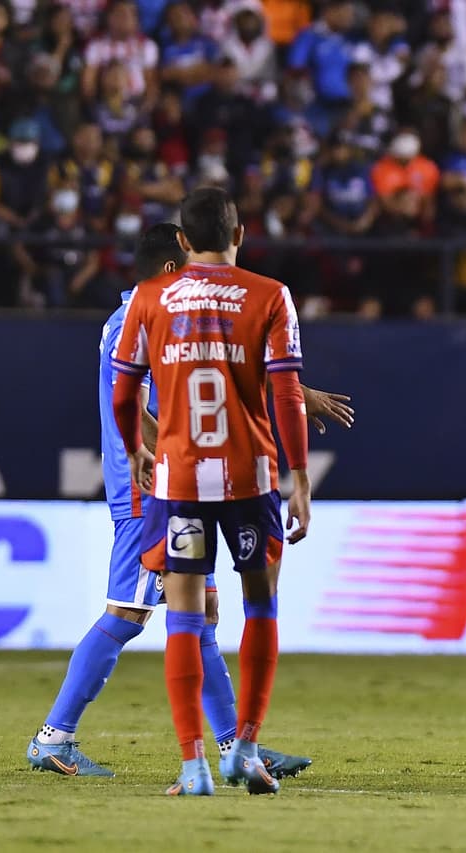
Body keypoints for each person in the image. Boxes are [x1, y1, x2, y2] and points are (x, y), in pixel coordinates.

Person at [27, 223, 350, 781]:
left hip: (180, 488)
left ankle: (236, 747)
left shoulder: (164, 315)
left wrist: (298, 393)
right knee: (128, 612)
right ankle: (54, 736)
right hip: (148, 489)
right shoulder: (134, 320)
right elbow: (137, 414)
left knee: (202, 614)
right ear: (173, 269)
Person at [111, 188, 312, 796]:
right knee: (260, 606)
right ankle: (244, 748)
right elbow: (287, 392)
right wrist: (300, 476)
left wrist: (135, 449)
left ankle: (193, 764)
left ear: (182, 240)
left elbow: (125, 393)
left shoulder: (149, 298)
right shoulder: (270, 295)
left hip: (179, 479)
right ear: (239, 234)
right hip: (250, 478)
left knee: (184, 616)